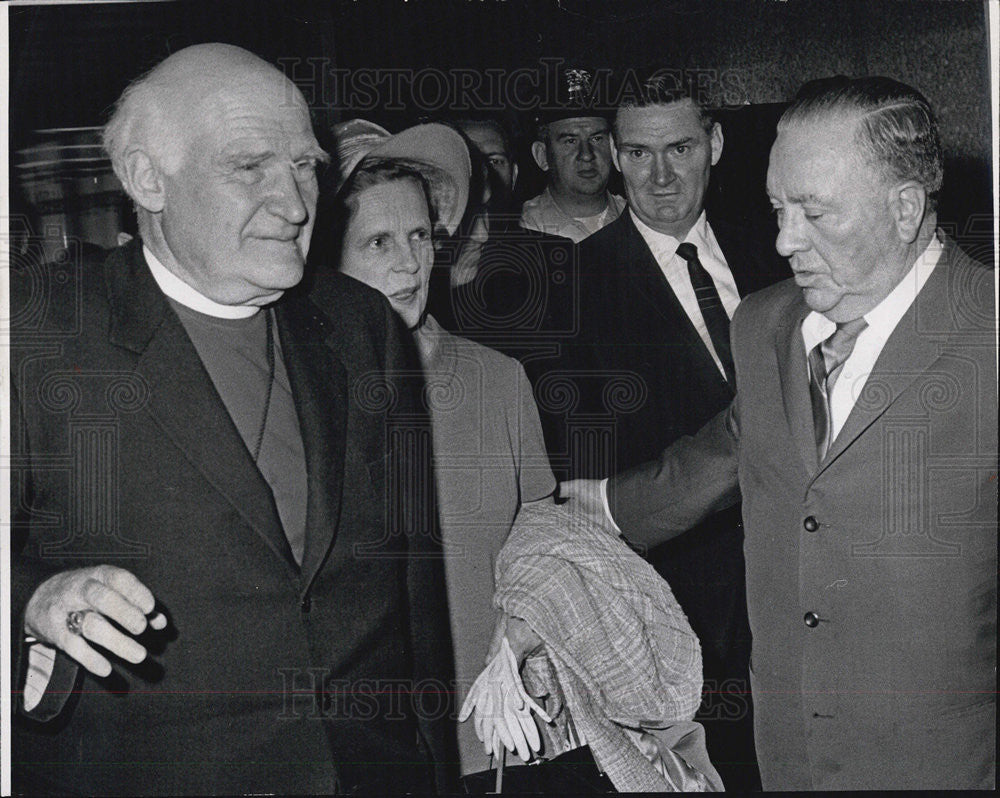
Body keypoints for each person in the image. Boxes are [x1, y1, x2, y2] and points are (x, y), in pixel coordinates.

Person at [10, 43, 454, 795]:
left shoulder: (363, 326)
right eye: (249, 167)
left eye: (305, 166)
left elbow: (412, 592)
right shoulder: (34, 333)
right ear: (148, 178)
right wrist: (30, 601)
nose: (295, 203)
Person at [563, 75, 996, 790]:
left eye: (814, 213)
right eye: (775, 208)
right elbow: (724, 452)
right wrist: (576, 517)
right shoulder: (766, 322)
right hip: (789, 762)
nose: (785, 239)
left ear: (906, 209)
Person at [552, 72, 789, 789]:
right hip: (677, 619)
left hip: (800, 584)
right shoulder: (571, 287)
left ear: (714, 144)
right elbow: (584, 480)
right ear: (617, 156)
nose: (659, 176)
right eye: (638, 153)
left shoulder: (781, 250)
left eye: (680, 148)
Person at [321, 119, 559, 779]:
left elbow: (550, 550)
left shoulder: (499, 380)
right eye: (378, 241)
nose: (409, 262)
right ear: (329, 259)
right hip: (371, 760)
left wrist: (523, 642)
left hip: (503, 742)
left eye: (420, 235)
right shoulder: (305, 400)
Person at [520, 69, 625, 243]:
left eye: (597, 138)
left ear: (614, 148)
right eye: (570, 141)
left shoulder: (641, 221)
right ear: (542, 156)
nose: (586, 155)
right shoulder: (521, 229)